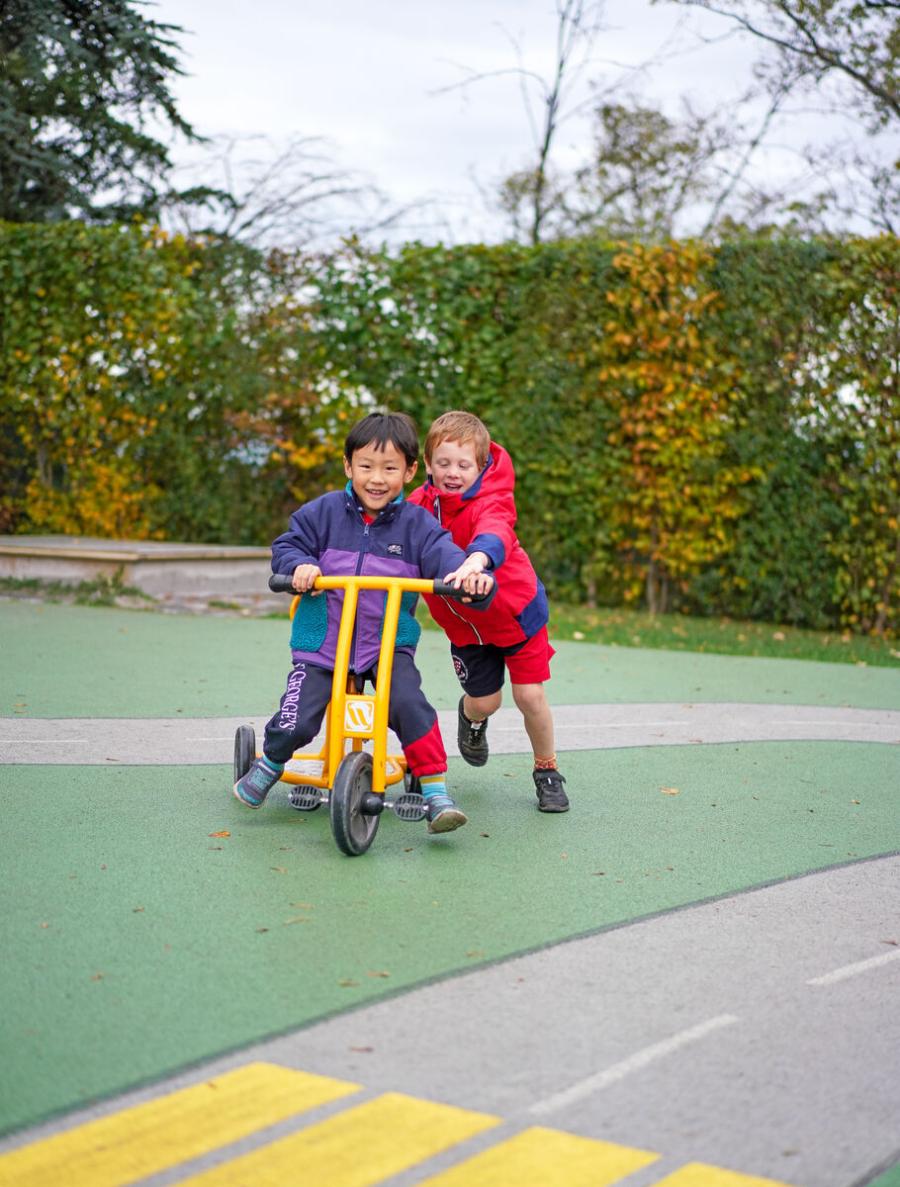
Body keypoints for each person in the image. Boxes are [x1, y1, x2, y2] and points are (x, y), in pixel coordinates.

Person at [233, 411, 494, 834]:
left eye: (390, 468)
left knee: (411, 706)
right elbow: (289, 544)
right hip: (324, 642)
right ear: (348, 465)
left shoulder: (418, 526)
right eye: (366, 466)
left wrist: (465, 575)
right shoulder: (324, 513)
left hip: (385, 644)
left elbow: (445, 556)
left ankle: (434, 789)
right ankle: (271, 762)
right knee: (297, 717)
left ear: (410, 471)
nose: (377, 478)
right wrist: (300, 566)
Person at [408, 410, 569, 813]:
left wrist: (476, 561)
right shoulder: (417, 508)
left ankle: (547, 771)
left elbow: (495, 531)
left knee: (530, 696)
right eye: (443, 463)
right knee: (484, 702)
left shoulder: (491, 499)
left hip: (517, 616)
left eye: (464, 465)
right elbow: (391, 539)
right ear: (427, 464)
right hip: (468, 630)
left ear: (480, 467)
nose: (452, 472)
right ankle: (472, 722)